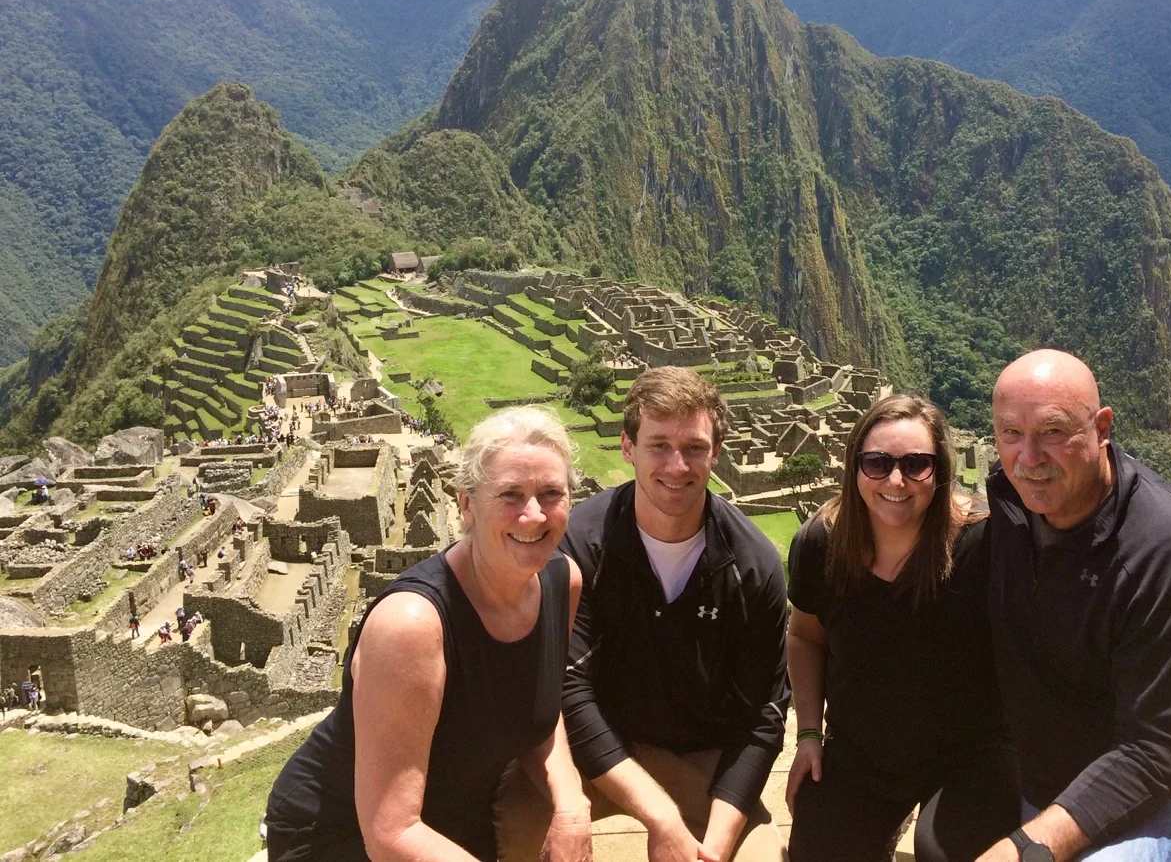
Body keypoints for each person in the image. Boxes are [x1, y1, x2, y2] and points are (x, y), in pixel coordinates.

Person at [976, 350, 1171, 862]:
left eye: (1053, 431)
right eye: (1010, 433)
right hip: (1064, 756)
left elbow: (1157, 749)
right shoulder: (1010, 505)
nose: (1029, 456)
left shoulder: (1163, 549)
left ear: (1101, 428)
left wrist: (1028, 845)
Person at [265, 407, 592, 862]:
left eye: (551, 493)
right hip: (343, 834)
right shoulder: (412, 625)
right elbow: (390, 832)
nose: (534, 515)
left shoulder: (562, 582)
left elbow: (538, 706)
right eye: (511, 494)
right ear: (467, 504)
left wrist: (572, 805)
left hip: (454, 818)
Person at [496, 366, 789, 862]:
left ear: (716, 453)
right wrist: (659, 817)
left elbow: (761, 716)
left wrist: (714, 849)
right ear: (628, 447)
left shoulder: (753, 565)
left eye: (694, 447)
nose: (677, 465)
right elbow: (569, 689)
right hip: (594, 751)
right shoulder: (581, 545)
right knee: (515, 831)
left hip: (700, 757)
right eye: (659, 445)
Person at [785, 394, 1021, 862]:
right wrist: (809, 734)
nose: (896, 480)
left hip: (970, 751)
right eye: (877, 463)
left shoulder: (983, 544)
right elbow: (804, 635)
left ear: (939, 471)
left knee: (945, 852)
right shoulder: (821, 543)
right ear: (855, 467)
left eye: (916, 464)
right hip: (861, 748)